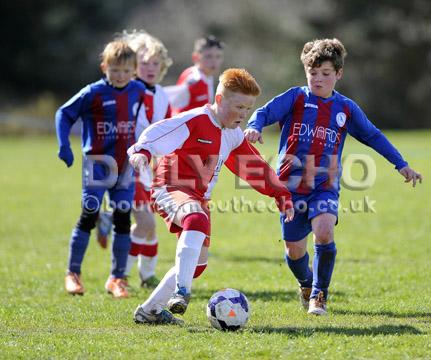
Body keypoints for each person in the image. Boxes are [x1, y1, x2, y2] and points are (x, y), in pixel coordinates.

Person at [244, 38, 422, 315]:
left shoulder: (346, 108)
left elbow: (372, 135)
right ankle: (306, 283)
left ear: (338, 74)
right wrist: (254, 127)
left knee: (324, 232)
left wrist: (401, 164)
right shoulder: (296, 97)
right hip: (290, 186)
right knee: (294, 251)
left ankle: (319, 295)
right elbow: (264, 113)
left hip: (324, 186)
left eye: (325, 74)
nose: (318, 79)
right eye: (312, 73)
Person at [128, 68, 295, 325]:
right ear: (219, 100)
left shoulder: (233, 134)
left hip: (198, 197)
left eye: (247, 109)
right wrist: (142, 151)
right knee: (196, 219)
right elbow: (158, 132)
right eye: (238, 106)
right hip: (170, 187)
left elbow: (255, 168)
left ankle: (149, 311)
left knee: (197, 265)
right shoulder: (195, 119)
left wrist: (281, 193)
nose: (242, 114)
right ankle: (181, 293)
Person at [55, 39, 148, 298]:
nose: (120, 76)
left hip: (124, 166)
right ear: (104, 67)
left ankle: (117, 279)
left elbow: (143, 123)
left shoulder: (139, 91)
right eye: (114, 70)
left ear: (134, 71)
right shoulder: (93, 93)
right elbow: (63, 114)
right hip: (97, 164)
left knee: (121, 219)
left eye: (126, 71)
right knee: (90, 214)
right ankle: (73, 274)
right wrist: (65, 145)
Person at [96, 30, 173, 289]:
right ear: (132, 65)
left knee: (151, 227)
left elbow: (168, 128)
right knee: (146, 222)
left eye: (155, 63)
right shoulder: (126, 93)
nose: (150, 68)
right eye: (144, 63)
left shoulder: (162, 94)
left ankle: (147, 275)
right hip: (127, 166)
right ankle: (118, 276)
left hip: (151, 168)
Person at [164, 35, 224, 115]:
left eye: (218, 57)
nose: (214, 61)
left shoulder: (208, 77)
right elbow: (165, 100)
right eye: (209, 56)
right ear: (196, 57)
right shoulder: (195, 79)